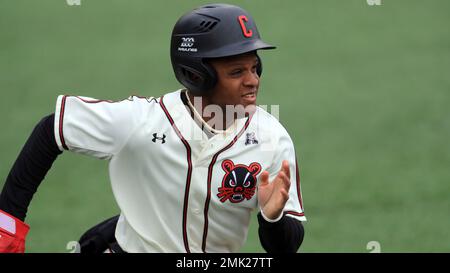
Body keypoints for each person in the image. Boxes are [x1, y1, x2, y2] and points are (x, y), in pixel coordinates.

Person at [0, 3, 306, 253]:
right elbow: (52, 129)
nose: (252, 80)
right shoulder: (142, 121)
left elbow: (285, 246)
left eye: (255, 67)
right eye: (237, 71)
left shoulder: (270, 138)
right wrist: (8, 223)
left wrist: (272, 216)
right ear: (197, 76)